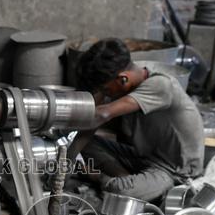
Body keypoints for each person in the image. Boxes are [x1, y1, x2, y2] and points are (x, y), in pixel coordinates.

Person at [70, 38, 204, 203]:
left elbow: (102, 115)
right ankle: (126, 177)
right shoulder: (127, 77)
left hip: (174, 171)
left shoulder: (160, 85)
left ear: (123, 79)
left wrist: (57, 117)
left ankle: (101, 178)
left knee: (120, 191)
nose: (105, 94)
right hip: (144, 158)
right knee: (87, 144)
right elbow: (93, 123)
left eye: (105, 89)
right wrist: (66, 160)